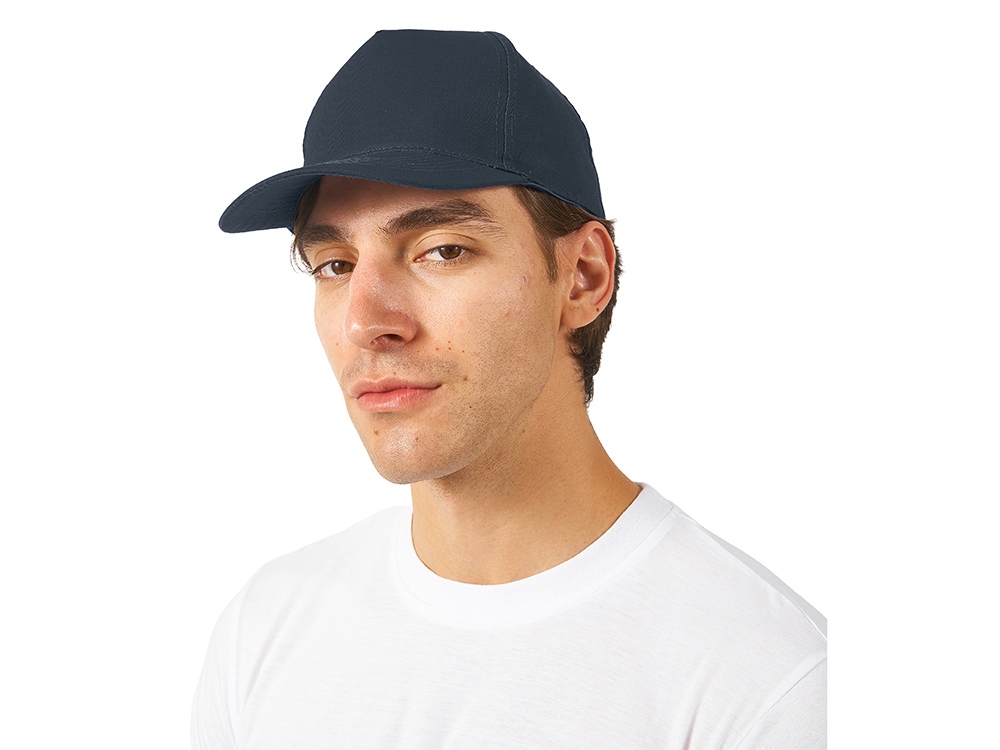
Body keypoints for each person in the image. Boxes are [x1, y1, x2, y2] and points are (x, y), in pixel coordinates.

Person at [193, 29, 827, 749]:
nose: (366, 322)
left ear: (583, 277)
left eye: (442, 251)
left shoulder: (768, 685)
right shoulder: (264, 633)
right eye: (334, 264)